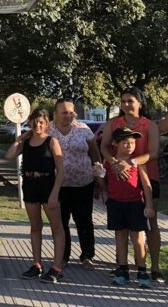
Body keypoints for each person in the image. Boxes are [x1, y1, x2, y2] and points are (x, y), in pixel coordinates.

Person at [99, 87, 162, 282]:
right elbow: (104, 147)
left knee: (149, 223)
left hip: (146, 177)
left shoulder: (149, 125)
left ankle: (154, 267)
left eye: (130, 101)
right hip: (118, 178)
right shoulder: (113, 123)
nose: (126, 104)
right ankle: (123, 266)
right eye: (123, 101)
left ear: (140, 103)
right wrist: (114, 163)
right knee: (122, 227)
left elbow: (154, 153)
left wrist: (131, 162)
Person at [5, 107, 66, 283]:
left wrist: (54, 193)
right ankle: (37, 264)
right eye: (35, 121)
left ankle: (57, 267)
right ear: (30, 122)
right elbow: (9, 155)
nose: (38, 125)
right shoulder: (26, 142)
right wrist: (19, 139)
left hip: (47, 185)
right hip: (30, 186)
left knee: (56, 228)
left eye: (41, 122)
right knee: (35, 227)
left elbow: (61, 170)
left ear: (47, 124)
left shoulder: (52, 141)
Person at [48, 99, 101, 270]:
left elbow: (95, 153)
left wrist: (99, 174)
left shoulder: (83, 130)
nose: (68, 115)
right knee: (61, 222)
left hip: (83, 183)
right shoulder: (48, 130)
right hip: (58, 186)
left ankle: (87, 256)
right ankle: (63, 257)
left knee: (84, 221)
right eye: (64, 112)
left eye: (71, 112)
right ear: (55, 114)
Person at [99, 127, 155, 287]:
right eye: (125, 142)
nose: (129, 146)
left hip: (135, 203)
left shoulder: (137, 162)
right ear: (115, 144)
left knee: (138, 238)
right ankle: (122, 269)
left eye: (132, 142)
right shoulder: (109, 163)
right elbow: (104, 184)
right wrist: (98, 175)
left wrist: (149, 205)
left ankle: (142, 270)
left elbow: (147, 185)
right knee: (120, 236)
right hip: (116, 203)